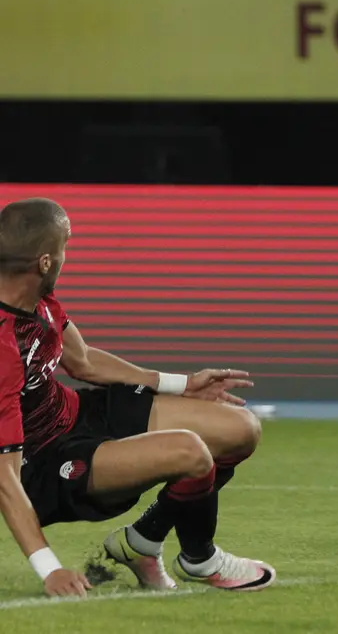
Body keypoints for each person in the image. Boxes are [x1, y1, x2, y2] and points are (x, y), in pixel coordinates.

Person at [0, 198, 274, 598]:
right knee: (191, 452)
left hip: (78, 413)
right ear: (44, 261)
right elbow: (5, 474)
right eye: (65, 247)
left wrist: (182, 384)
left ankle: (143, 541)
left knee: (240, 429)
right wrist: (50, 569)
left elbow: (83, 360)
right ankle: (200, 557)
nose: (66, 257)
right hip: (43, 464)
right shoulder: (4, 346)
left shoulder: (36, 296)